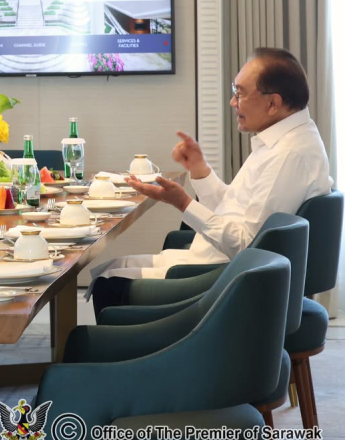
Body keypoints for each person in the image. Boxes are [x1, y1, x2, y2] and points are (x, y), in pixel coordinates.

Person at [90, 48, 332, 315]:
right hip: (220, 266)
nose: (232, 102)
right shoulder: (285, 140)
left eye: (240, 92)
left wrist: (183, 203)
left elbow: (246, 244)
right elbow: (236, 211)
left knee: (108, 280)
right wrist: (200, 170)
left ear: (273, 103)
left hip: (224, 280)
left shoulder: (288, 154)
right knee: (110, 268)